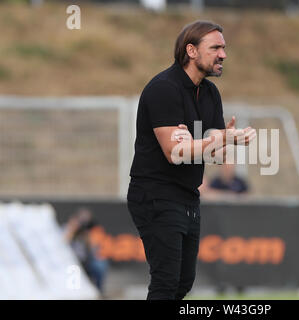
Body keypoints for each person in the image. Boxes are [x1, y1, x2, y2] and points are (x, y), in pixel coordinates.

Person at [127, 20, 256, 300]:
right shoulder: (164, 88)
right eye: (215, 48)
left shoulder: (210, 93)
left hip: (188, 197)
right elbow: (175, 152)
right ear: (192, 51)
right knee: (166, 282)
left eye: (224, 48)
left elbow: (208, 151)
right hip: (155, 194)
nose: (223, 54)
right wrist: (209, 142)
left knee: (183, 283)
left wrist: (225, 142)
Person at [63, 208, 109, 296]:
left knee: (100, 264)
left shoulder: (88, 232)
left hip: (85, 262)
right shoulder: (67, 229)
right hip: (70, 262)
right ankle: (74, 294)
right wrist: (72, 231)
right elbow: (61, 245)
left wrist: (87, 238)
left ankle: (98, 292)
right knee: (73, 268)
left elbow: (93, 251)